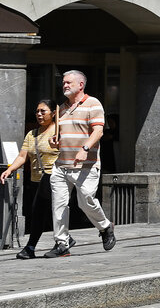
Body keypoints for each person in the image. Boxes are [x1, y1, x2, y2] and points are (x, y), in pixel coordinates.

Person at [45, 70, 116, 257]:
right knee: (59, 205)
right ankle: (62, 243)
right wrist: (54, 141)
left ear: (81, 85)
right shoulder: (61, 108)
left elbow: (98, 131)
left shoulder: (93, 103)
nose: (65, 85)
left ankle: (105, 226)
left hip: (86, 165)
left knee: (85, 201)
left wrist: (85, 149)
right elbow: (59, 135)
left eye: (68, 82)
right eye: (63, 83)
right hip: (61, 165)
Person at [0, 100, 58, 259]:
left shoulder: (59, 132)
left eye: (43, 111)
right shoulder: (32, 134)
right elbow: (22, 156)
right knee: (41, 213)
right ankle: (62, 241)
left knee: (41, 212)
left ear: (53, 113)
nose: (39, 114)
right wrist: (10, 169)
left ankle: (31, 247)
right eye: (37, 111)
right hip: (36, 180)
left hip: (53, 177)